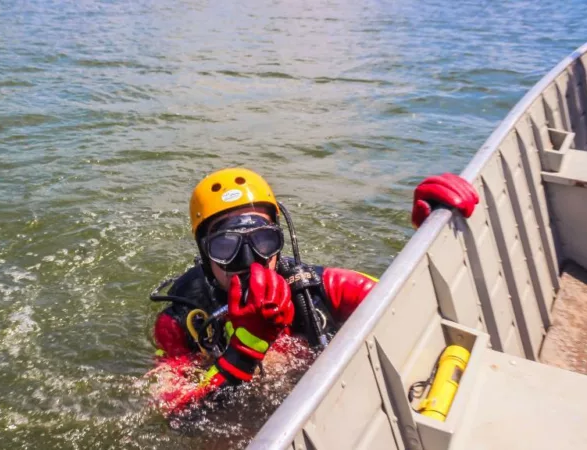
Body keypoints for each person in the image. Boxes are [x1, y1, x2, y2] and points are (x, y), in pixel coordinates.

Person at [148, 168, 478, 414]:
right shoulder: (182, 319)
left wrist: (432, 236)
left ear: (280, 238)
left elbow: (413, 303)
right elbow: (175, 414)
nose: (248, 261)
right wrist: (243, 353)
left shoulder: (321, 288)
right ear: (205, 254)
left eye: (263, 241)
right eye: (226, 245)